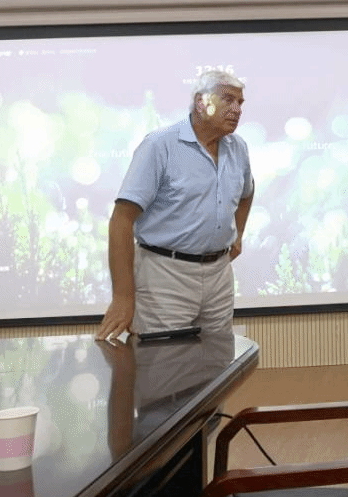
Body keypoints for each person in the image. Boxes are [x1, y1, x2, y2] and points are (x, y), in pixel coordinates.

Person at [96, 69, 254, 340]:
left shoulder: (238, 147)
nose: (237, 110)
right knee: (165, 361)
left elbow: (247, 192)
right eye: (228, 100)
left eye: (240, 102)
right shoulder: (159, 146)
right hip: (165, 274)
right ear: (201, 102)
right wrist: (123, 297)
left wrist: (237, 235)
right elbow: (121, 219)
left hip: (219, 275)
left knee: (219, 358)